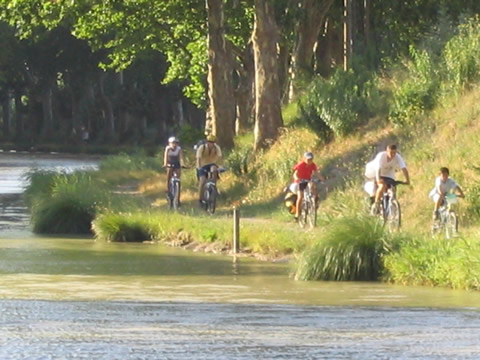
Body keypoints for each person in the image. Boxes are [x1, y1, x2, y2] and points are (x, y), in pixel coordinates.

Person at [364, 144, 410, 213]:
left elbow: (404, 169)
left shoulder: (398, 157)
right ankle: (376, 204)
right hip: (374, 172)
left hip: (388, 173)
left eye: (394, 153)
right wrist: (379, 180)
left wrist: (407, 180)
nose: (392, 155)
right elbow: (378, 169)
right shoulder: (381, 156)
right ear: (387, 151)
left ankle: (390, 204)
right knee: (382, 186)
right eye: (391, 153)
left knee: (392, 188)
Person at [289, 152, 325, 220]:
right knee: (300, 196)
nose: (309, 161)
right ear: (304, 159)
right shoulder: (301, 164)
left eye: (311, 159)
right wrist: (297, 178)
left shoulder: (313, 165)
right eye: (308, 159)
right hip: (300, 182)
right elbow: (295, 173)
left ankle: (315, 199)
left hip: (307, 180)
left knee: (312, 185)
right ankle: (297, 213)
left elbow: (316, 172)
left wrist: (322, 178)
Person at [195, 134, 223, 205]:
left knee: (214, 170)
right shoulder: (202, 147)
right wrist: (199, 168)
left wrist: (221, 166)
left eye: (213, 142)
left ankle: (213, 187)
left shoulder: (217, 148)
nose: (211, 144)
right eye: (210, 142)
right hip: (202, 165)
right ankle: (200, 199)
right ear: (207, 142)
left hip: (211, 164)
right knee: (202, 181)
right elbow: (198, 159)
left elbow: (220, 158)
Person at [163, 136, 185, 202]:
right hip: (169, 162)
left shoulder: (179, 149)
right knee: (169, 173)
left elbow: (181, 157)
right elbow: (165, 157)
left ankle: (177, 194)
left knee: (178, 176)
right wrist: (165, 164)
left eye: (176, 143)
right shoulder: (168, 148)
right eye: (173, 143)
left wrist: (183, 164)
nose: (174, 145)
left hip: (176, 163)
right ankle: (168, 189)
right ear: (169, 143)